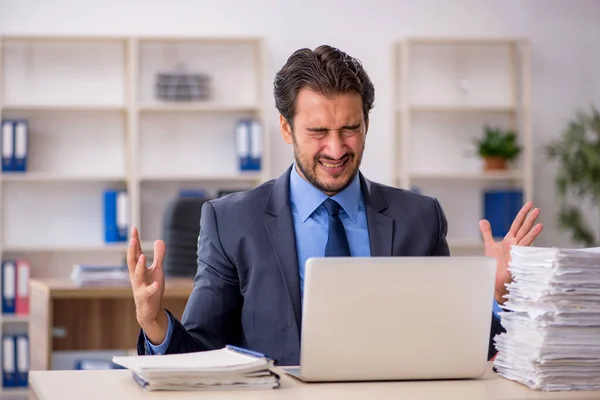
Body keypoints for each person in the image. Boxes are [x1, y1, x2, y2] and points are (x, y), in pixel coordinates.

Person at [128, 45, 543, 366]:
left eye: (350, 129)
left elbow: (461, 346)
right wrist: (154, 322)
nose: (336, 148)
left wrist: (498, 296)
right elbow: (200, 352)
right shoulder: (231, 221)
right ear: (286, 128)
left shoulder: (420, 218)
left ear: (366, 124)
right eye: (318, 131)